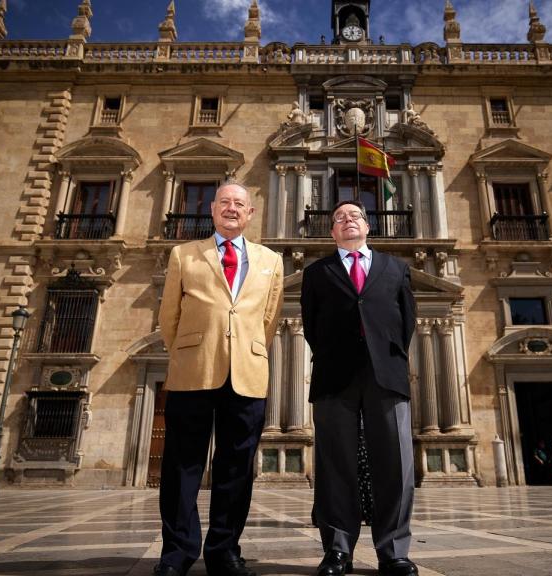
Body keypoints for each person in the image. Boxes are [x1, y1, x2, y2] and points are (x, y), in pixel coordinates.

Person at [153, 183, 284, 576]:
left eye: (239, 203)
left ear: (250, 213)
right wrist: (189, 350)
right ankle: (176, 554)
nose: (231, 208)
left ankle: (224, 551)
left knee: (237, 468)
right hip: (193, 370)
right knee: (182, 466)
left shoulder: (270, 260)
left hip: (246, 375)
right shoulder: (184, 254)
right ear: (212, 209)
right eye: (225, 202)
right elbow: (168, 318)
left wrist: (244, 349)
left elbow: (269, 320)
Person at [301, 200, 418, 576]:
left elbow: (407, 323)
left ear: (367, 226)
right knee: (335, 464)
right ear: (332, 232)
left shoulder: (396, 268)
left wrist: (388, 356)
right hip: (335, 377)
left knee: (396, 464)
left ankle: (394, 552)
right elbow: (311, 325)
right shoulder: (316, 272)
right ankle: (337, 551)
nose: (348, 221)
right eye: (339, 218)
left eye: (355, 216)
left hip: (387, 375)